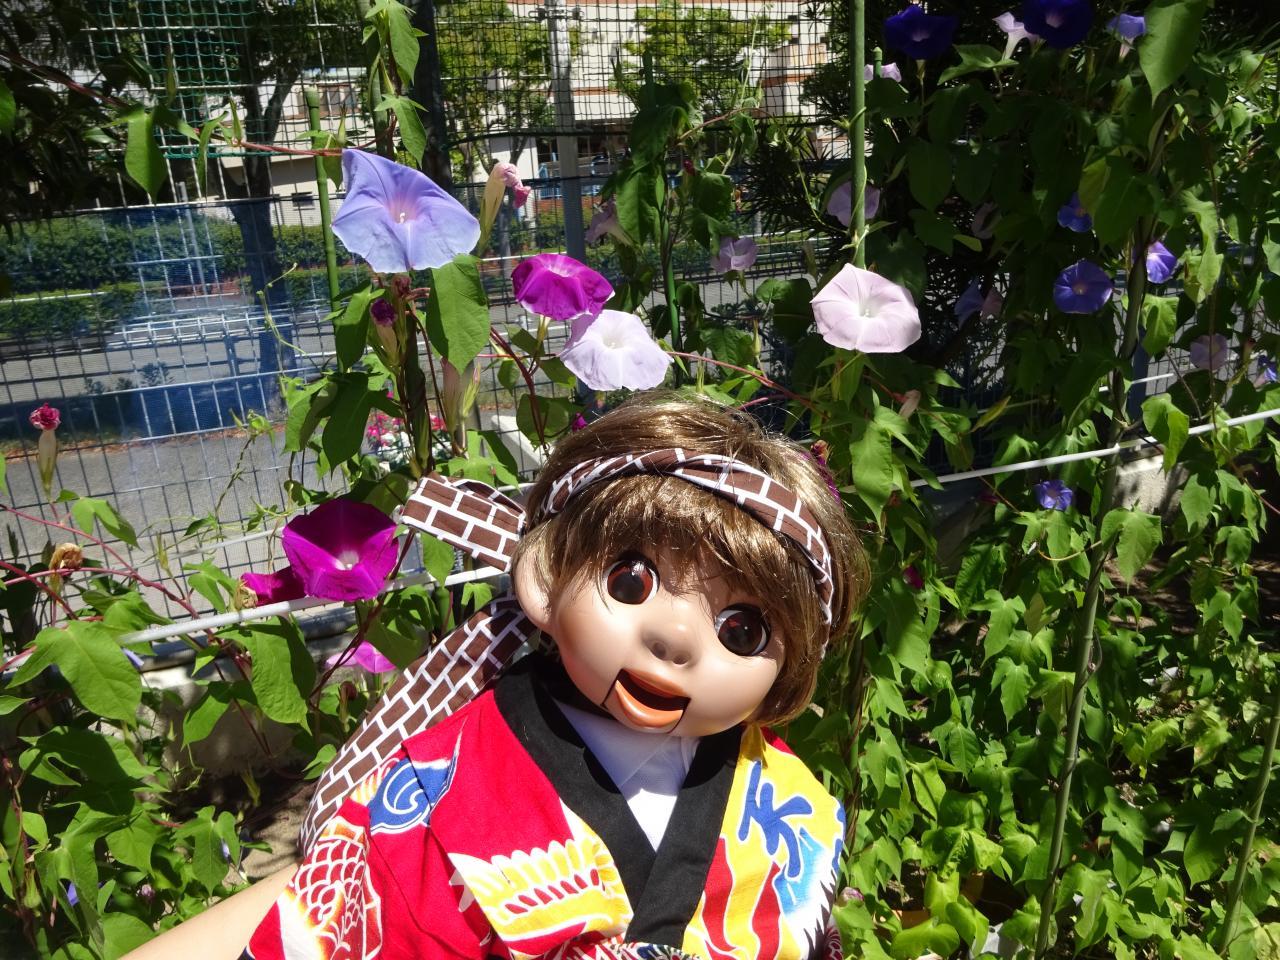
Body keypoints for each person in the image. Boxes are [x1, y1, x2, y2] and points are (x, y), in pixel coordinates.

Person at [130, 391, 867, 960]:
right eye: (631, 582)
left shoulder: (785, 797)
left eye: (742, 630)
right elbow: (344, 913)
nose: (674, 638)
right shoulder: (441, 788)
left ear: (787, 670)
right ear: (545, 577)